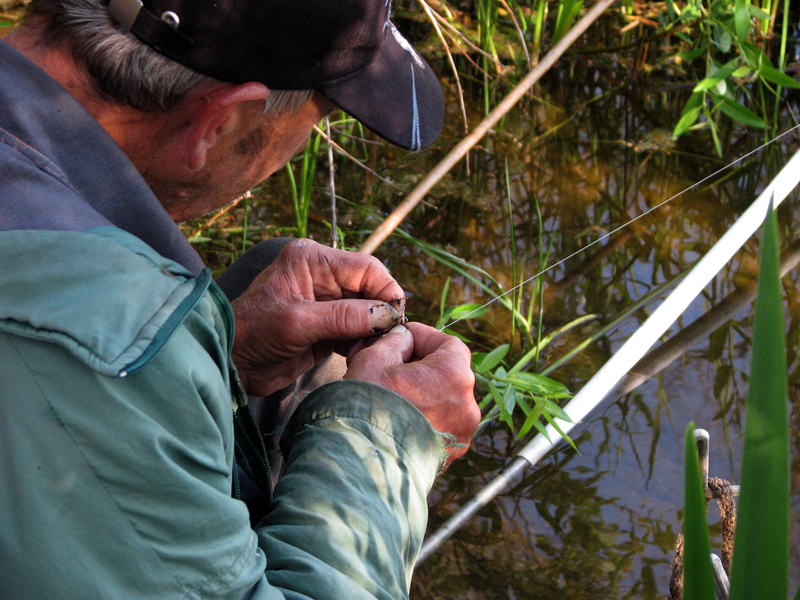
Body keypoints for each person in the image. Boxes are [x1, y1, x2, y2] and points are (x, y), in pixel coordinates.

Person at [0, 0, 480, 597]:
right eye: (315, 121)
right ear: (220, 121)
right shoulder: (99, 343)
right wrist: (384, 439)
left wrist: (212, 354)